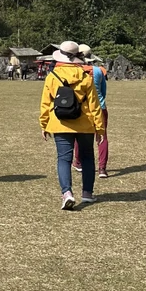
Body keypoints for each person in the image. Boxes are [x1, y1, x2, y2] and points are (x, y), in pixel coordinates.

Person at [39, 40, 105, 210]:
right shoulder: (86, 76)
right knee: (88, 157)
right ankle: (87, 193)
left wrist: (44, 124)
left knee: (64, 158)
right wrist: (100, 128)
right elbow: (94, 105)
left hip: (60, 123)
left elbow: (46, 103)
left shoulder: (52, 77)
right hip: (85, 124)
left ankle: (67, 193)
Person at [73, 43, 109, 179]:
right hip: (100, 106)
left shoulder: (76, 71)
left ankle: (78, 162)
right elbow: (103, 91)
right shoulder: (99, 70)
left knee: (79, 135)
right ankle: (102, 168)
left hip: (82, 108)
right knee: (103, 136)